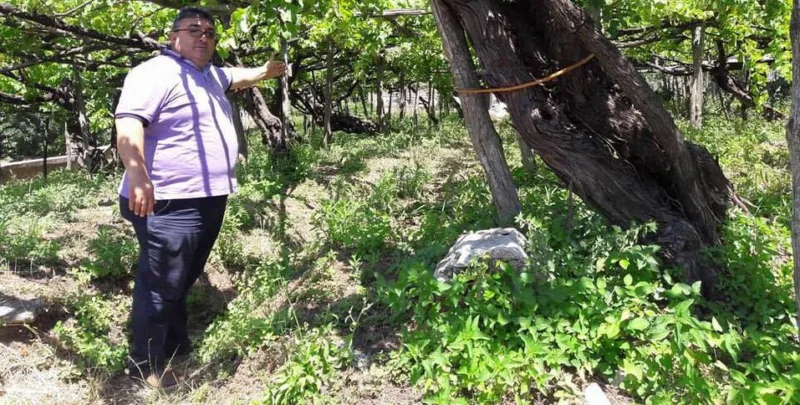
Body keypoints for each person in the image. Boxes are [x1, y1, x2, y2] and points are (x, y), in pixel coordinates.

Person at [115, 6, 286, 389]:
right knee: (161, 283)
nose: (203, 37)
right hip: (167, 200)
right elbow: (128, 123)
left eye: (209, 32)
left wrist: (265, 71)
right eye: (194, 30)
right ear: (173, 36)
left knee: (182, 275)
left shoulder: (208, 74)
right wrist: (138, 175)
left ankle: (176, 344)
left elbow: (237, 76)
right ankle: (144, 367)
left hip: (206, 198)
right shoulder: (155, 73)